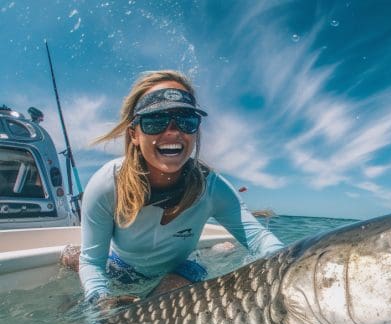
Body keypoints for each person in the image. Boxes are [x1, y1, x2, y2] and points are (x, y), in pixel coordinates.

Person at [72, 70, 283, 309]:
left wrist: (290, 273)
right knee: (78, 262)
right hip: (121, 267)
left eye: (186, 120)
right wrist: (99, 301)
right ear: (134, 134)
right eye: (155, 121)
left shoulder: (211, 187)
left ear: (196, 131)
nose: (172, 132)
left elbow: (262, 241)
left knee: (155, 303)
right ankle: (69, 254)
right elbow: (92, 261)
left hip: (181, 270)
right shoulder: (108, 183)